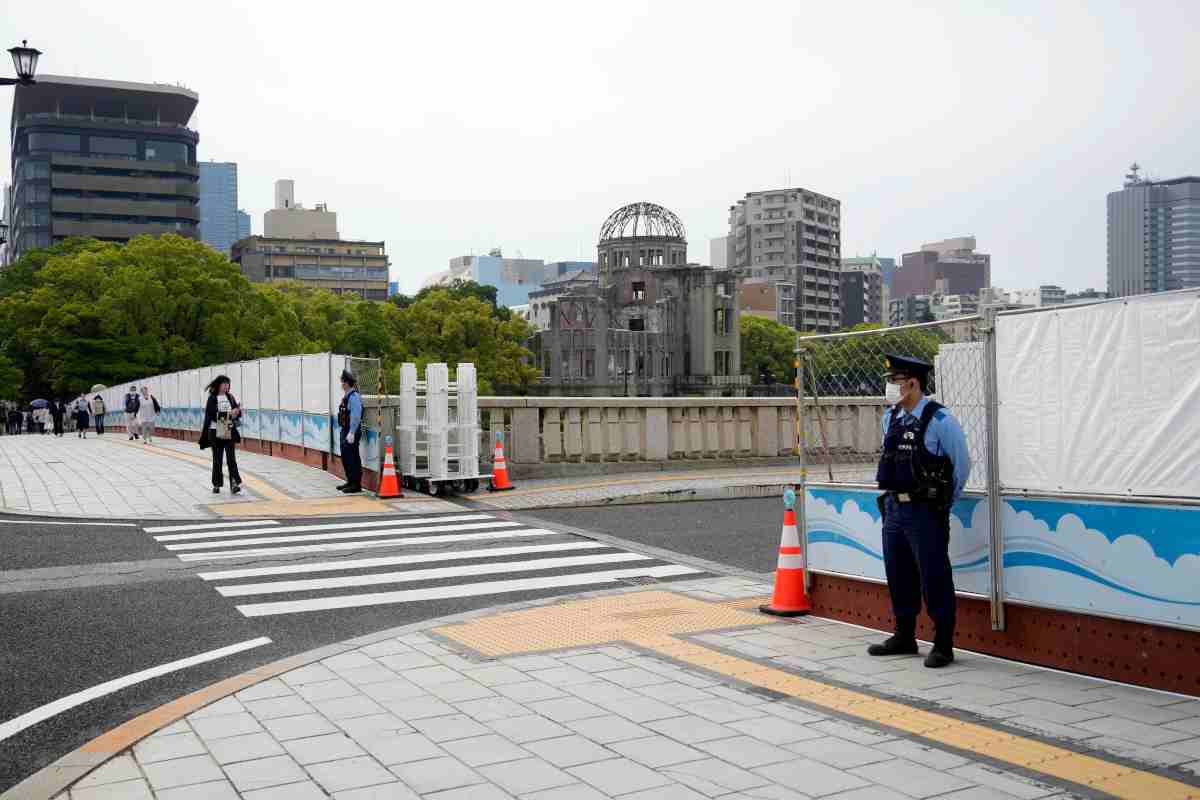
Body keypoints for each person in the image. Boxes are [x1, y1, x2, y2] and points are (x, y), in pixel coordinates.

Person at [867, 354, 971, 669]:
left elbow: (961, 465)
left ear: (913, 383)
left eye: (894, 381)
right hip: (894, 508)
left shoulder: (941, 420)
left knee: (934, 575)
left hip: (926, 510)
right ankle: (904, 635)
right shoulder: (891, 417)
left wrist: (942, 502)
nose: (889, 387)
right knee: (898, 572)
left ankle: (943, 644)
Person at [199, 374, 243, 495]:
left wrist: (237, 412)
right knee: (217, 459)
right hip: (215, 431)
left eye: (227, 384)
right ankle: (216, 484)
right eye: (224, 384)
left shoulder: (230, 397)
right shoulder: (212, 398)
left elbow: (237, 413)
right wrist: (229, 414)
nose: (226, 386)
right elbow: (212, 415)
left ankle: (234, 483)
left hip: (228, 430)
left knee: (231, 459)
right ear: (218, 385)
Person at [336, 369, 364, 494]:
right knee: (346, 457)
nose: (341, 384)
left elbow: (356, 415)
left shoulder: (354, 397)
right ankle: (350, 481)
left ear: (347, 383)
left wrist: (352, 432)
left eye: (342, 382)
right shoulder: (347, 396)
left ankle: (356, 484)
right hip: (345, 430)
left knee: (352, 457)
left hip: (351, 431)